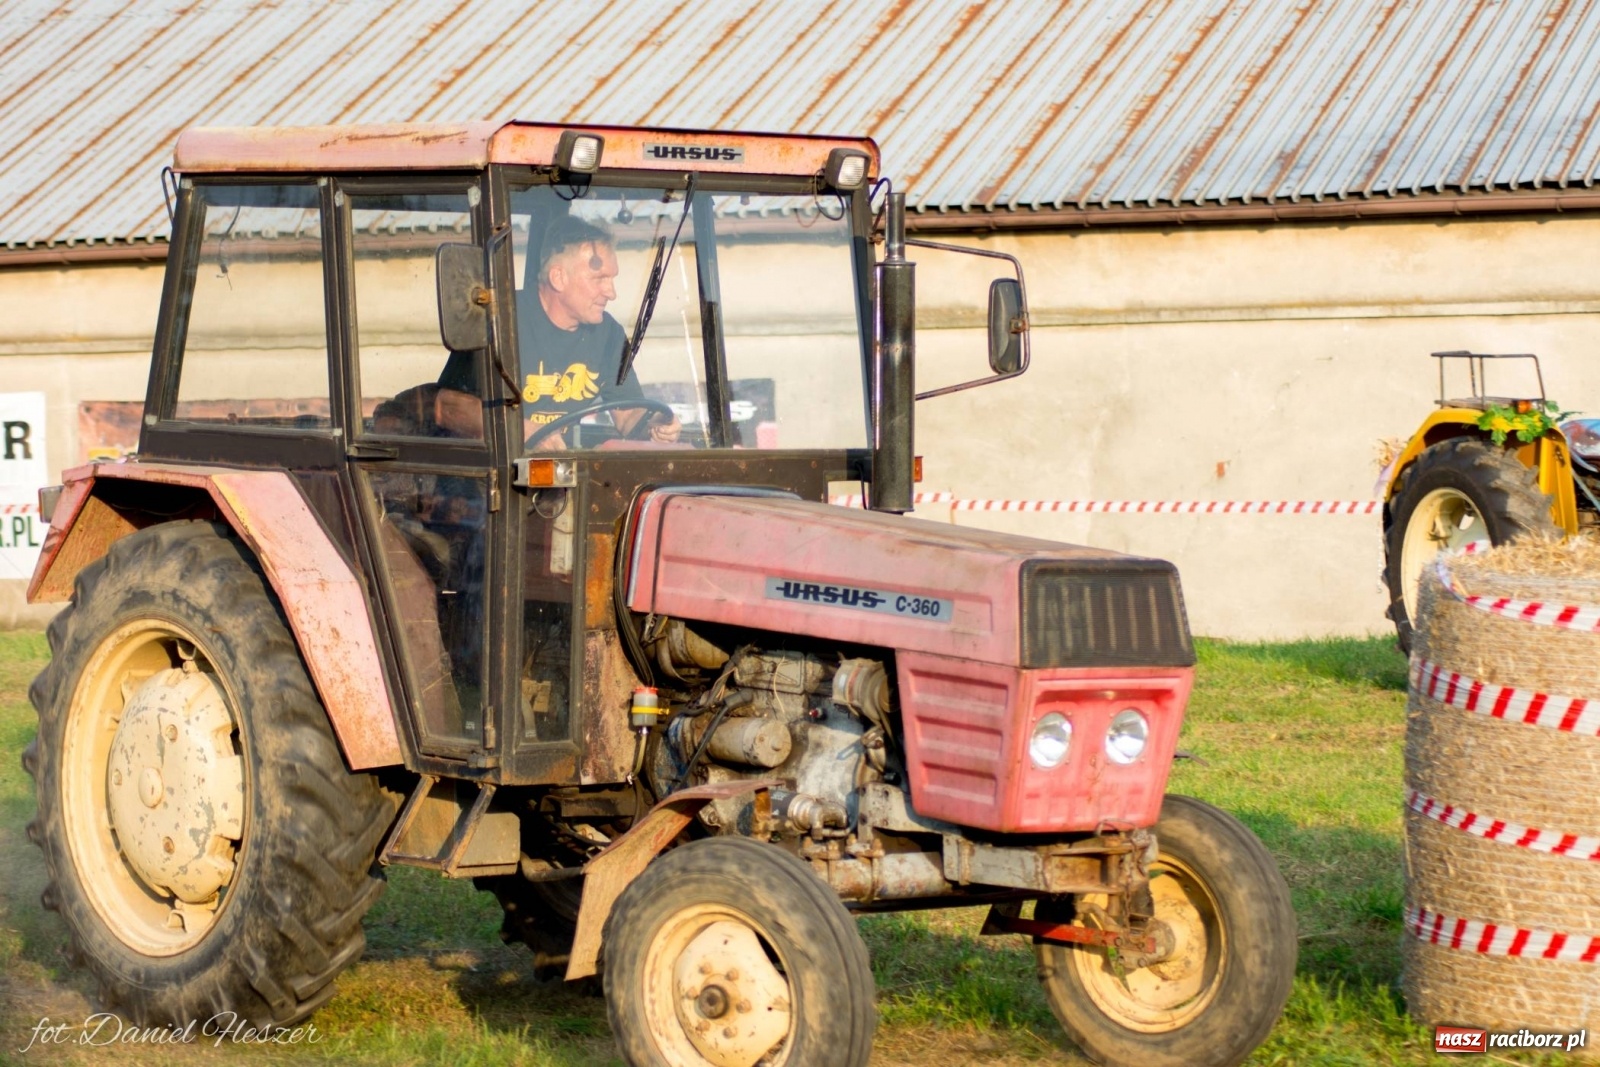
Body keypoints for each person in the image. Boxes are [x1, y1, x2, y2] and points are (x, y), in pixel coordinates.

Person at [519, 216, 681, 448]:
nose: (611, 293)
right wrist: (524, 430)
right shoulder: (505, 321)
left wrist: (656, 423)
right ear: (558, 278)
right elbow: (448, 405)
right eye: (599, 279)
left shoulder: (608, 334)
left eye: (611, 279)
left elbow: (626, 414)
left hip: (559, 473)